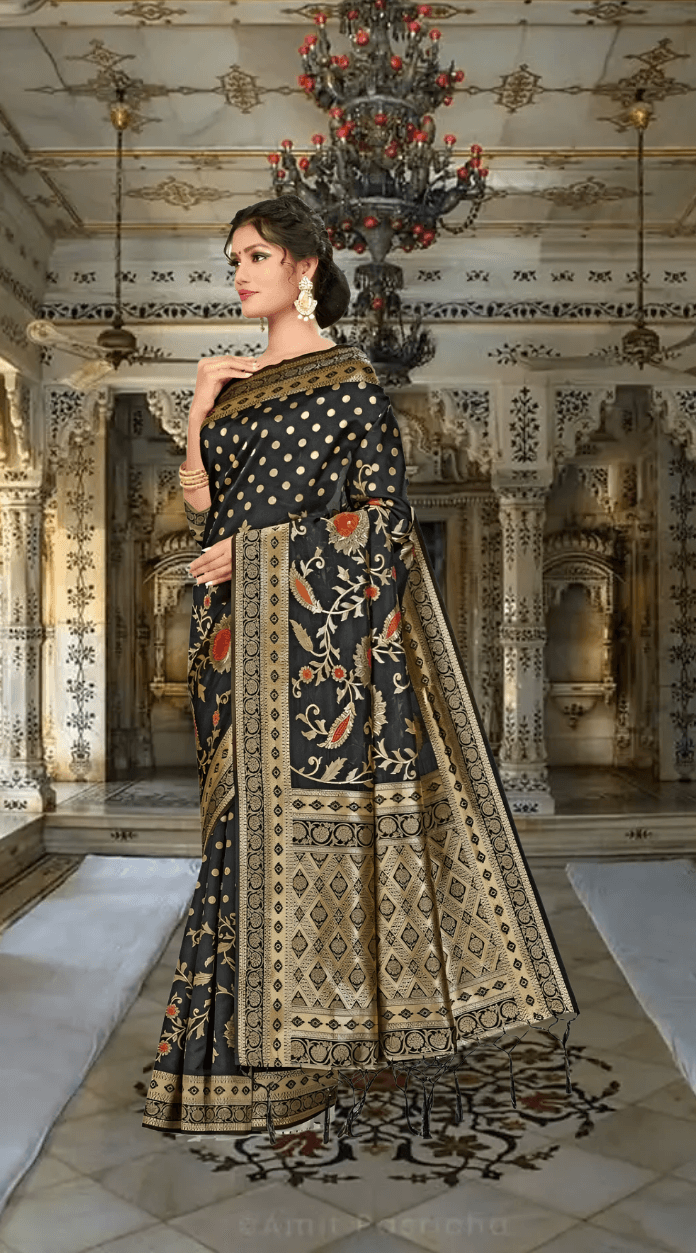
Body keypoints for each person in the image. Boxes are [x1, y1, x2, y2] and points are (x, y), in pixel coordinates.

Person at [142, 195, 576, 1140]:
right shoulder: (237, 379)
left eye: (255, 255)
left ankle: (294, 1049)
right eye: (232, 261)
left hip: (313, 654)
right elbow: (200, 507)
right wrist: (202, 409)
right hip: (229, 637)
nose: (240, 273)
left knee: (277, 837)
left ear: (305, 267)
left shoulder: (348, 385)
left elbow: (379, 526)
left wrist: (256, 555)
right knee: (233, 833)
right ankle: (233, 1050)